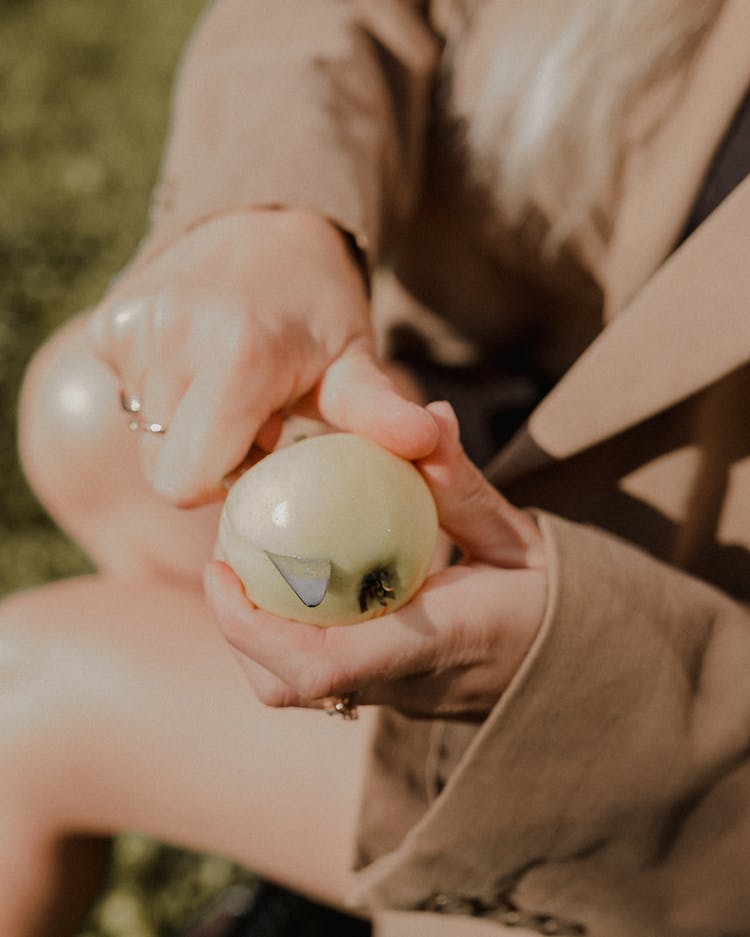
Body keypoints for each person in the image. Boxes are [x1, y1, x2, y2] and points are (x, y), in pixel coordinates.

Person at [3, 0, 750, 935]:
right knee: (90, 417)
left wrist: (582, 663)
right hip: (506, 456)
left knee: (22, 698)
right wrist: (274, 211)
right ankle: (341, 852)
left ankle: (420, 878)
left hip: (690, 778)